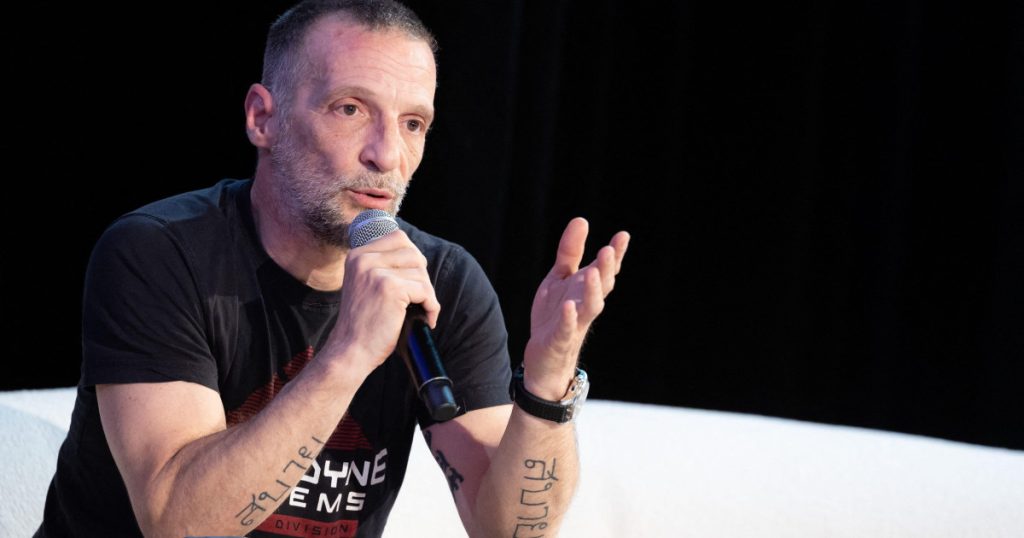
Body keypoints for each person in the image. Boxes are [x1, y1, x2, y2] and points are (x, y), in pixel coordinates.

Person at [36, 0, 629, 536]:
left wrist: (547, 383)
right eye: (350, 109)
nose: (387, 154)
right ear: (262, 119)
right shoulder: (159, 254)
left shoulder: (442, 281)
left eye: (413, 123)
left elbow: (509, 531)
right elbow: (177, 524)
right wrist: (349, 353)